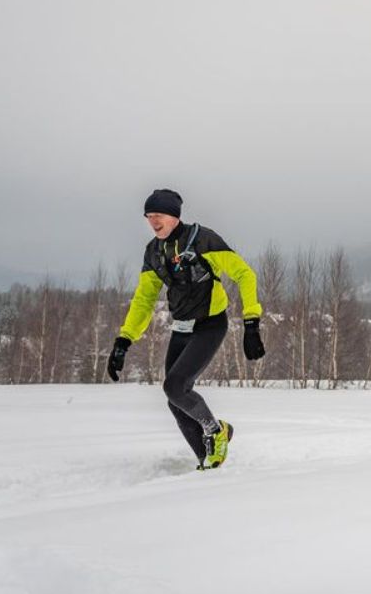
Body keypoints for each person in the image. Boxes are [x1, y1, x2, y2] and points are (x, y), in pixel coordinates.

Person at [107, 189, 265, 470]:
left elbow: (244, 274)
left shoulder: (203, 239)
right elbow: (144, 299)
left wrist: (251, 323)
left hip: (210, 325)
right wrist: (124, 340)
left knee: (175, 387)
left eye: (159, 215)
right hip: (182, 328)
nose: (153, 221)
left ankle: (215, 431)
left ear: (174, 216)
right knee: (174, 398)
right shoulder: (153, 252)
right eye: (149, 216)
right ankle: (207, 460)